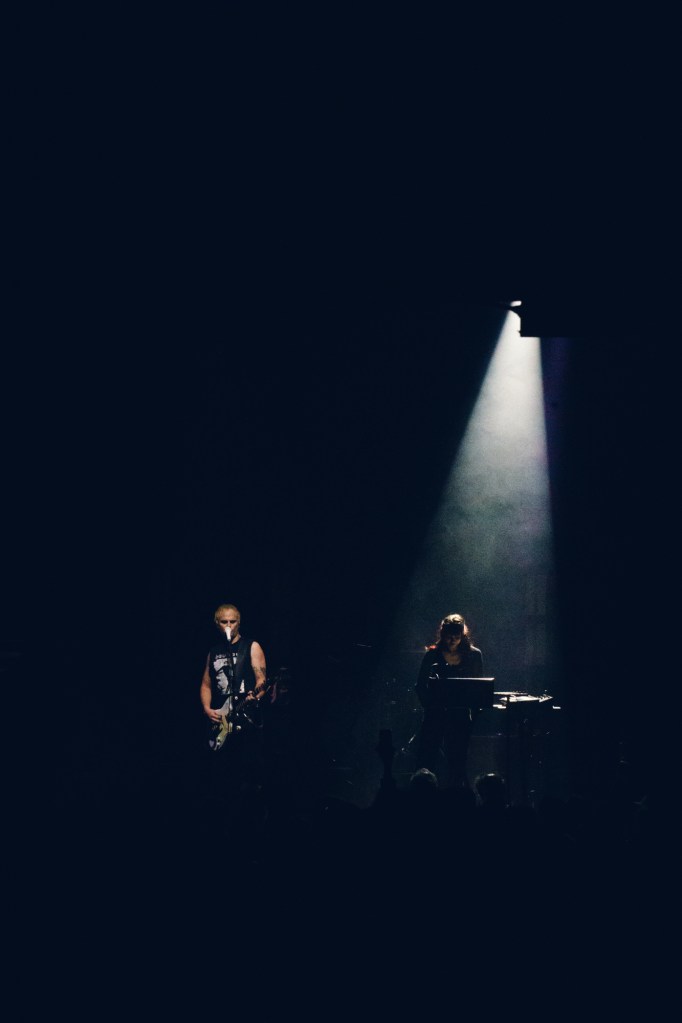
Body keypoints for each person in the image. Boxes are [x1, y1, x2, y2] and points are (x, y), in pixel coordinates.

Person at [200, 603, 268, 793]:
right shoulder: (213, 652)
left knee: (247, 772)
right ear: (217, 623)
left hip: (244, 717)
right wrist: (207, 708)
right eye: (224, 622)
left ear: (239, 622)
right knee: (222, 773)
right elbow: (206, 684)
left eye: (233, 621)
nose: (229, 626)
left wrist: (257, 695)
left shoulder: (251, 646)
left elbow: (261, 679)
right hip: (221, 717)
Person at [414, 613, 484, 788]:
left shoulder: (474, 655)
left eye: (456, 636)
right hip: (435, 715)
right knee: (428, 758)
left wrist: (473, 715)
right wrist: (430, 707)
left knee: (458, 760)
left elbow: (478, 688)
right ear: (442, 634)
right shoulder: (432, 655)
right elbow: (420, 685)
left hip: (460, 716)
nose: (452, 640)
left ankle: (456, 795)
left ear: (463, 635)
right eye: (449, 636)